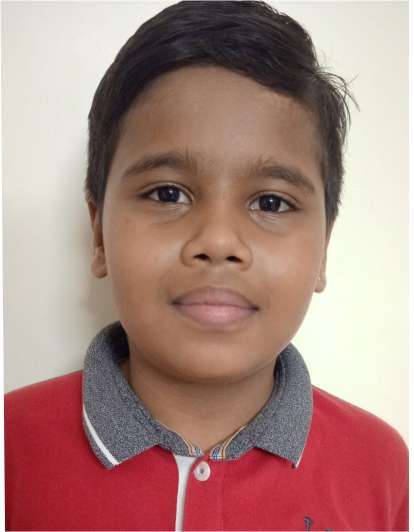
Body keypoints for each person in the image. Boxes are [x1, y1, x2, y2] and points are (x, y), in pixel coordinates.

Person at [4, 1, 408, 530]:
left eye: (271, 202)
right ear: (98, 233)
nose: (218, 242)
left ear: (323, 250)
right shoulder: (11, 449)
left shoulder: (381, 466)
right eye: (167, 193)